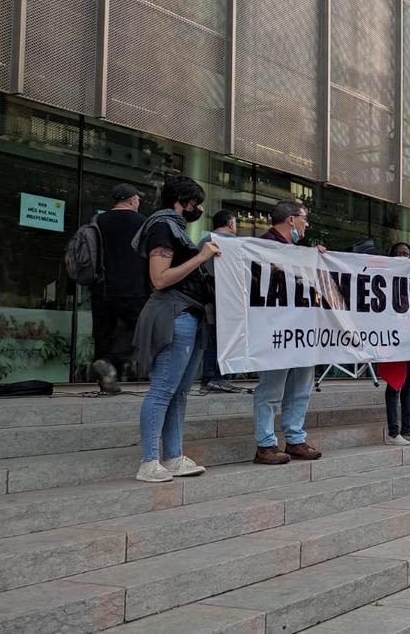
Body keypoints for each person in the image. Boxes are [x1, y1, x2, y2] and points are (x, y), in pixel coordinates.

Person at [129, 175, 218, 482]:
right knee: (163, 390)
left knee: (178, 392)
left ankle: (174, 456)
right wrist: (202, 258)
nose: (200, 208)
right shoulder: (163, 227)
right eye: (196, 203)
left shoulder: (175, 229)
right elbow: (160, 278)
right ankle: (149, 461)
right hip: (174, 314)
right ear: (182, 201)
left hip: (189, 315)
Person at [251, 200, 325, 465]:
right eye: (304, 219)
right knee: (272, 389)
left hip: (301, 332)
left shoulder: (297, 252)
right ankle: (266, 444)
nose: (306, 225)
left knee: (301, 388)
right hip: (275, 331)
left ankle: (295, 439)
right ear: (291, 220)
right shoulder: (261, 248)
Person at [91, 183, 149, 394]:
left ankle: (106, 382)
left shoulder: (98, 220)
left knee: (103, 334)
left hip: (101, 287)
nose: (139, 202)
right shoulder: (141, 222)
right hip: (132, 288)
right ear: (132, 200)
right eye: (138, 199)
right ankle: (111, 361)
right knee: (141, 327)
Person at [379, 242, 410, 445]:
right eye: (399, 254)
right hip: (394, 340)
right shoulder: (384, 278)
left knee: (408, 385)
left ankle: (407, 430)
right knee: (394, 385)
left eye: (406, 254)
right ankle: (393, 432)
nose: (403, 257)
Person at [197, 211, 247, 394]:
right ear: (231, 223)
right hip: (225, 301)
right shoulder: (231, 242)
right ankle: (216, 378)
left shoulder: (204, 241)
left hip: (208, 299)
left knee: (212, 337)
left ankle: (210, 378)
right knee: (221, 339)